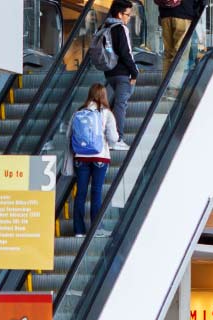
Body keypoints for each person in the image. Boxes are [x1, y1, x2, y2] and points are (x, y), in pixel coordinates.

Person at [66, 84, 122, 238]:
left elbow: (69, 134)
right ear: (103, 96)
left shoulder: (79, 112)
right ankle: (96, 229)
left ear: (89, 95)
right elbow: (113, 138)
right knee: (96, 192)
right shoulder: (106, 114)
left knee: (81, 192)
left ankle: (78, 230)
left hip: (80, 157)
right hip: (100, 156)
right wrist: (111, 144)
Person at [99, 0, 139, 136]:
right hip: (123, 74)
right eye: (128, 14)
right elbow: (125, 53)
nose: (129, 17)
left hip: (109, 73)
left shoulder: (104, 27)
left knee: (112, 104)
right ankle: (117, 138)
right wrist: (134, 73)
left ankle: (107, 134)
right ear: (119, 14)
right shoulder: (120, 28)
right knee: (120, 106)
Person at [157, 0, 204, 66]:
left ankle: (167, 76)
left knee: (168, 54)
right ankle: (176, 76)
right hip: (183, 14)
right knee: (180, 54)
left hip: (165, 15)